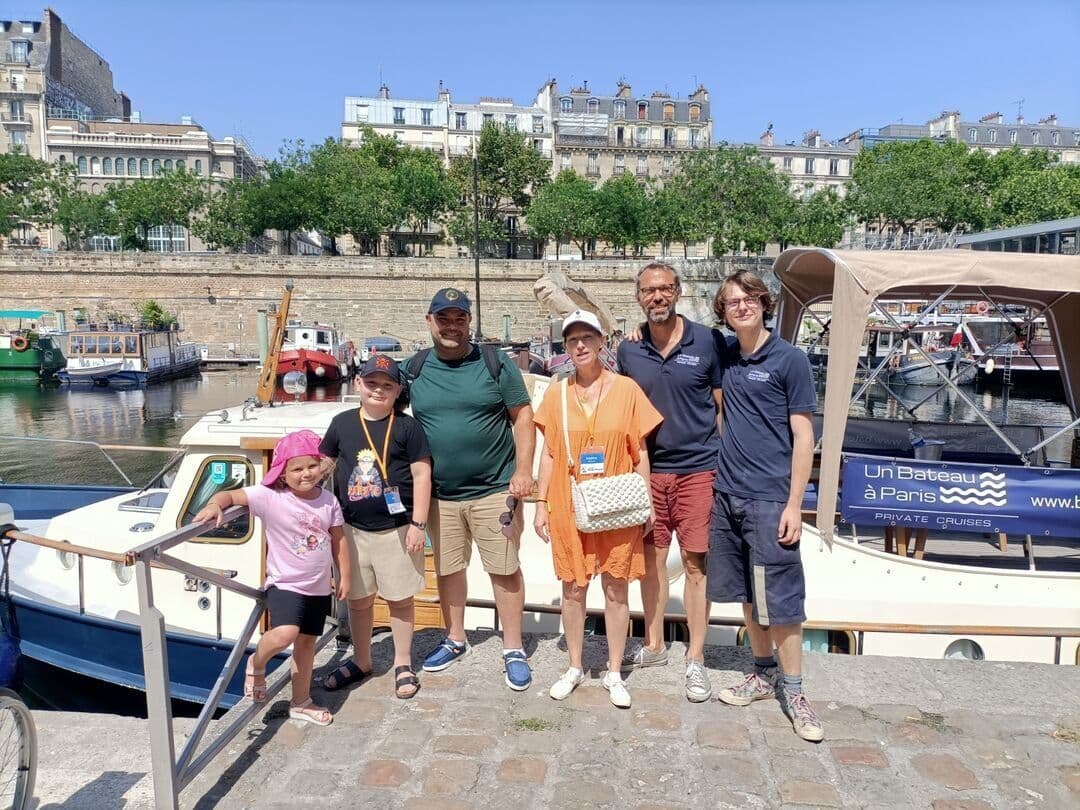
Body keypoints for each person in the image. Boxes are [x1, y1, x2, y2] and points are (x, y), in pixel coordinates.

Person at [707, 270, 824, 742]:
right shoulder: (727, 355)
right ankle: (761, 671)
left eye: (749, 298)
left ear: (763, 303)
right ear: (724, 311)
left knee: (782, 601)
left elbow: (804, 436)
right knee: (746, 596)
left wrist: (795, 503)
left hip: (770, 498)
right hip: (727, 494)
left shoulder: (790, 360)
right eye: (732, 301)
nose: (741, 306)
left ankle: (794, 690)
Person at [407, 288, 536, 691]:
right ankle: (455, 637)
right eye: (443, 318)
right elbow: (380, 412)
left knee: (504, 568)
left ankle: (512, 647)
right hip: (441, 494)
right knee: (448, 569)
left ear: (469, 323)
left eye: (459, 319)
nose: (451, 326)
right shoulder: (412, 369)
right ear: (429, 322)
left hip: (495, 488)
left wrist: (524, 470)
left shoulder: (495, 364)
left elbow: (523, 416)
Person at [533, 310, 662, 708]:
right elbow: (550, 453)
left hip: (617, 503)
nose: (580, 346)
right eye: (572, 340)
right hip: (570, 504)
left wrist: (647, 502)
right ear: (565, 347)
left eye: (588, 338)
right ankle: (574, 666)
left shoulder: (626, 389)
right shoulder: (556, 393)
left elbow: (639, 452)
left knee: (616, 587)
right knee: (573, 587)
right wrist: (541, 504)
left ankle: (613, 669)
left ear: (602, 342)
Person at [616, 261, 724, 703]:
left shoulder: (708, 341)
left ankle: (695, 657)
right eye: (648, 290)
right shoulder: (629, 350)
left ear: (677, 291)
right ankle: (656, 644)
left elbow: (722, 405)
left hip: (700, 468)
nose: (656, 296)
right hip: (648, 472)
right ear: (639, 297)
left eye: (664, 288)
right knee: (653, 562)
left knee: (697, 564)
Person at [193, 429, 350, 726]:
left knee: (306, 644)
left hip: (318, 586)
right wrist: (215, 504)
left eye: (312, 466)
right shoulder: (270, 497)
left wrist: (345, 576)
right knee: (286, 633)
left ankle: (301, 701)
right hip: (285, 583)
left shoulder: (328, 501)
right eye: (297, 468)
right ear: (283, 473)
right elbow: (229, 495)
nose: (306, 473)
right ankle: (257, 661)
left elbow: (339, 540)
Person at [319, 355, 432, 699]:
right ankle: (362, 660)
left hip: (397, 528)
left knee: (399, 599)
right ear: (358, 385)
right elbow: (324, 464)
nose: (378, 391)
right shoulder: (341, 423)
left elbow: (422, 474)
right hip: (352, 530)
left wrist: (418, 523)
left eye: (387, 385)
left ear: (397, 391)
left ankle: (402, 663)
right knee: (358, 599)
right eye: (372, 384)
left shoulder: (408, 427)